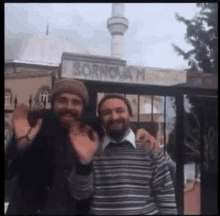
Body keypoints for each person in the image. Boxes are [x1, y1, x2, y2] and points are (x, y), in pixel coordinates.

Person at [4, 79, 155, 215]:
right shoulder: (35, 123)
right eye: (62, 100)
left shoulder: (91, 128)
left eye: (76, 102)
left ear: (83, 106)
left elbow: (115, 126)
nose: (69, 107)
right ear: (53, 102)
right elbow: (8, 172)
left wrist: (139, 132)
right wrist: (20, 145)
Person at [68, 94, 178, 215]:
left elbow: (166, 197)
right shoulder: (91, 149)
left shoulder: (150, 148)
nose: (114, 117)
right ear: (101, 119)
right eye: (107, 113)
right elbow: (80, 194)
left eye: (119, 111)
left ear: (130, 114)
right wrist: (84, 163)